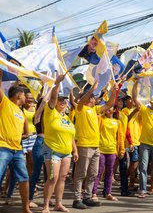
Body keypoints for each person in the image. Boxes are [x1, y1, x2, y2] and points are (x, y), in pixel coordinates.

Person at [72, 80, 117, 209]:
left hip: (96, 146)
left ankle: (87, 196)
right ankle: (77, 198)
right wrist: (91, 89)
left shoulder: (95, 109)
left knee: (93, 173)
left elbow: (109, 104)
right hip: (84, 145)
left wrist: (114, 90)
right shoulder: (80, 108)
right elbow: (80, 101)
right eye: (92, 97)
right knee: (81, 173)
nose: (94, 98)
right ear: (88, 98)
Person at [42, 75, 78, 213]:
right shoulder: (50, 112)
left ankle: (58, 204)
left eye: (65, 100)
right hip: (52, 150)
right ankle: (46, 205)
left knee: (62, 178)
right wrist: (57, 83)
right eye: (60, 99)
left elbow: (71, 136)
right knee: (53, 178)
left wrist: (74, 151)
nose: (62, 101)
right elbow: (52, 97)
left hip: (66, 152)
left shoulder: (67, 118)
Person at [0, 70, 32, 213]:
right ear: (19, 96)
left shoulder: (21, 113)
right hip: (3, 147)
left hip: (17, 150)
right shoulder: (5, 103)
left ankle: (25, 208)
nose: (26, 97)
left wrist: (18, 137)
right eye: (24, 94)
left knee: (24, 178)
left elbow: (26, 134)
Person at [132, 78, 153, 199]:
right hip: (144, 143)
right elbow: (135, 98)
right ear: (151, 102)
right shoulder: (145, 110)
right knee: (143, 168)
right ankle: (143, 189)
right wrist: (135, 83)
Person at [92, 106, 124, 201]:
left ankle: (108, 192)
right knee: (98, 172)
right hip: (101, 149)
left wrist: (121, 150)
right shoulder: (101, 119)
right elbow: (95, 116)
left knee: (110, 172)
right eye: (107, 109)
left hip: (112, 150)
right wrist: (101, 112)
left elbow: (120, 137)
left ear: (114, 110)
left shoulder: (117, 122)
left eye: (111, 109)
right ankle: (93, 193)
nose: (108, 110)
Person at [29, 89, 52, 208]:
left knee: (50, 174)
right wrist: (51, 88)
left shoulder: (50, 116)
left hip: (48, 144)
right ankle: (29, 199)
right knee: (36, 172)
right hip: (40, 142)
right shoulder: (37, 116)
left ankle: (47, 199)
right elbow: (43, 103)